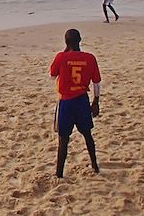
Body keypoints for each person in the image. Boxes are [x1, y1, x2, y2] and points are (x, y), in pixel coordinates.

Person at [49, 29, 101, 178]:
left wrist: (65, 53)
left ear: (66, 42)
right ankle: (95, 165)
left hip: (66, 102)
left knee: (63, 139)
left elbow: (52, 75)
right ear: (80, 40)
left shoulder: (61, 57)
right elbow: (97, 82)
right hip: (82, 100)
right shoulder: (90, 58)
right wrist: (96, 101)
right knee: (87, 135)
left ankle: (59, 174)